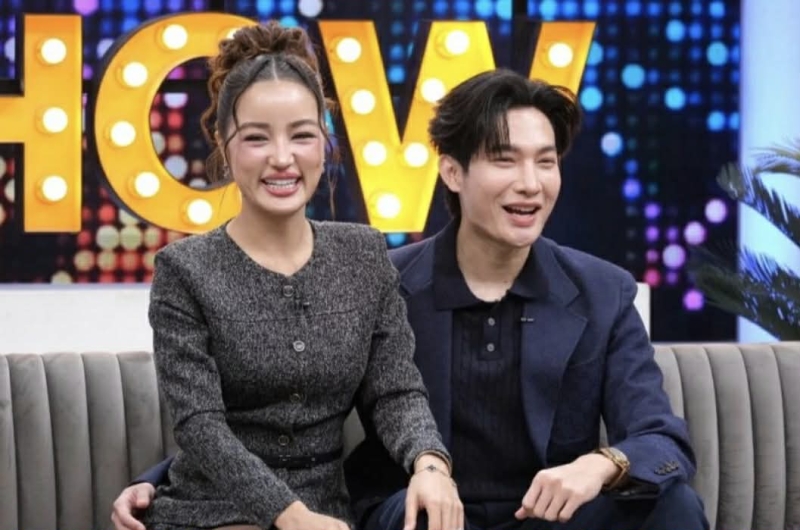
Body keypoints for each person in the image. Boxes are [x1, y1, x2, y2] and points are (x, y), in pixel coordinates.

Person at [113, 68, 709, 530]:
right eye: (504, 160)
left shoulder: (602, 292)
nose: (529, 183)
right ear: (452, 172)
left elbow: (662, 438)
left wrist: (601, 464)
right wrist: (165, 482)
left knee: (673, 504)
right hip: (418, 514)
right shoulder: (383, 278)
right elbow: (292, 395)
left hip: (547, 518)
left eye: (545, 162)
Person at [125, 20, 463, 530]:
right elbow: (199, 427)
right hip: (212, 511)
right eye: (256, 138)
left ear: (323, 141)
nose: (282, 159)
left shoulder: (364, 255)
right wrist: (289, 516)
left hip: (329, 513)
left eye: (302, 135)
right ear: (223, 142)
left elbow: (395, 392)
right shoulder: (184, 270)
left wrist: (430, 464)